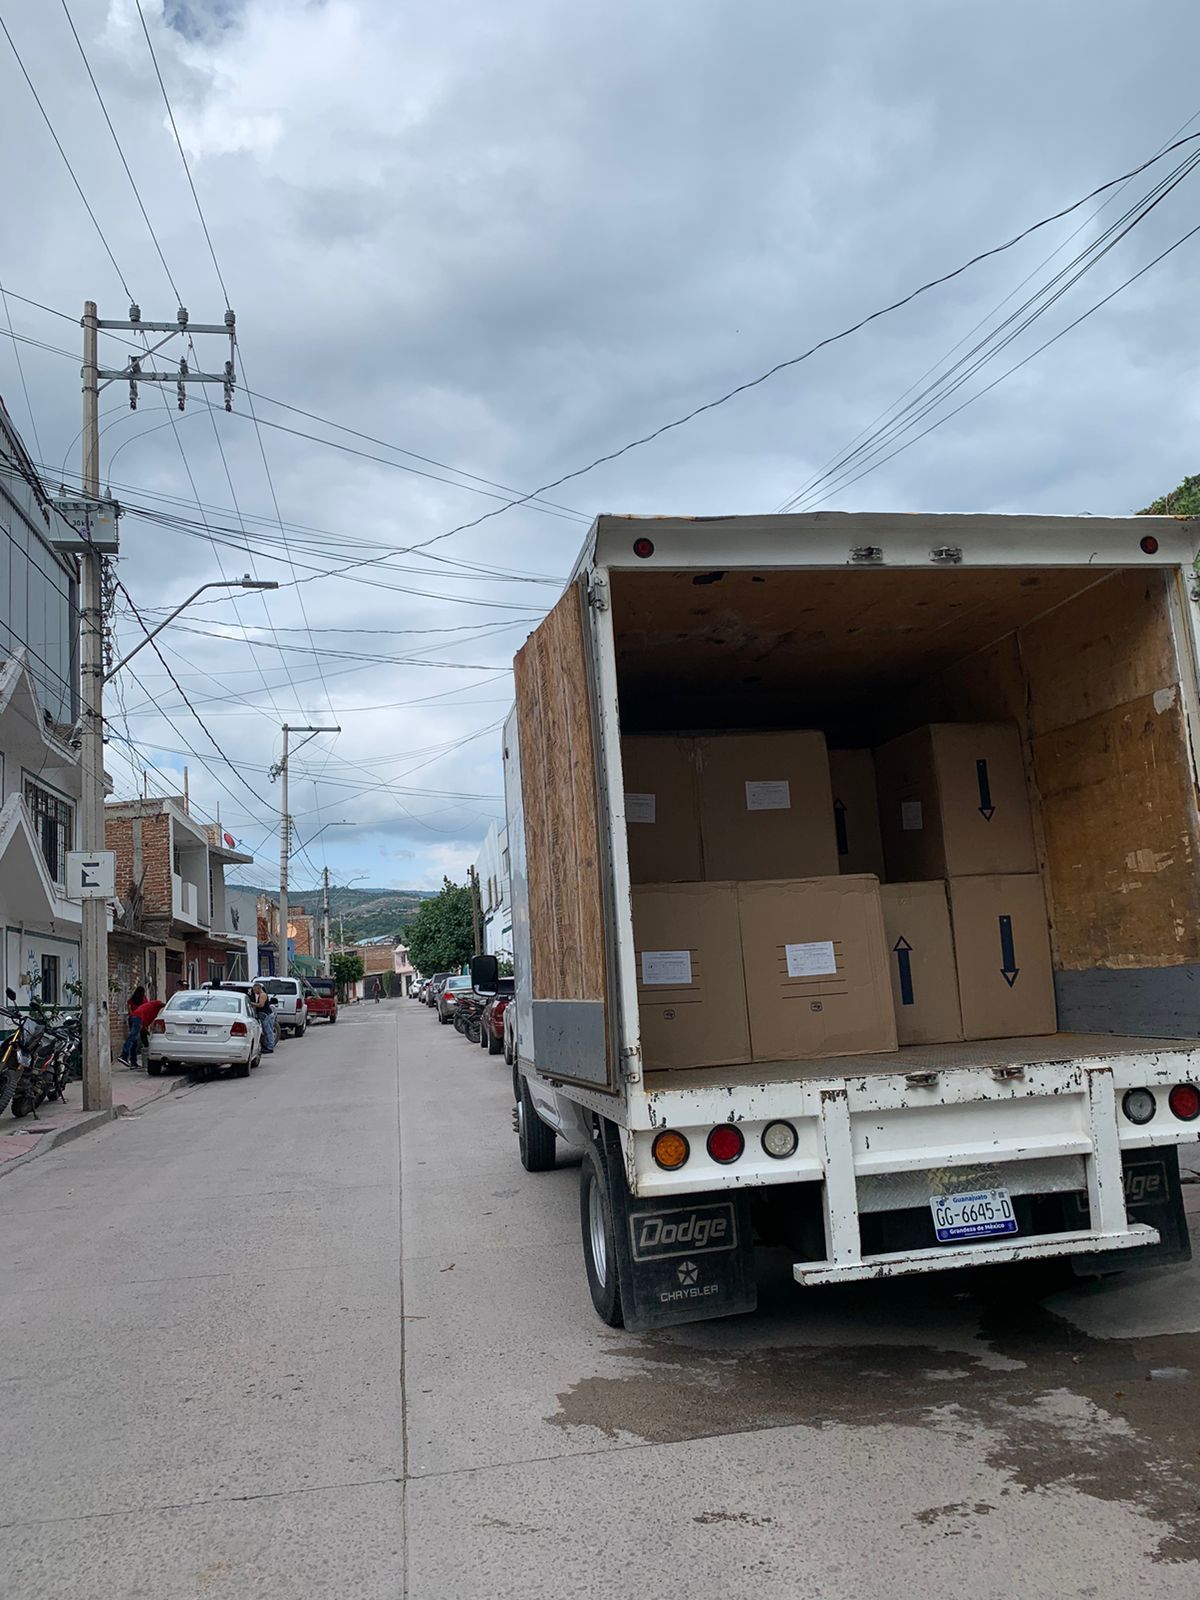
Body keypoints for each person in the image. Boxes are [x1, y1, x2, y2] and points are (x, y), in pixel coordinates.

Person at [120, 985, 146, 1066]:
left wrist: (131, 1015)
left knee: (134, 1040)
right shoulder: (143, 999)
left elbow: (129, 1006)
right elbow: (146, 1009)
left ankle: (133, 1061)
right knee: (133, 1037)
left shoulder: (132, 998)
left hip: (132, 1018)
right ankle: (124, 1054)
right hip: (139, 1019)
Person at [249, 980, 276, 1053]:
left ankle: (270, 1047)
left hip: (266, 1015)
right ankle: (267, 1045)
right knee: (265, 1031)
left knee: (268, 1031)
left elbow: (261, 1005)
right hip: (263, 1015)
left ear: (258, 988)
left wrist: (251, 1003)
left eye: (255, 990)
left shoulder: (263, 995)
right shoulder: (260, 995)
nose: (254, 992)